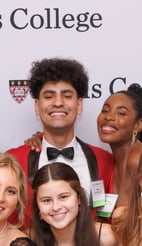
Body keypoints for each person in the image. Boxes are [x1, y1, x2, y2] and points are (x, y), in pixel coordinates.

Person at [9, 57, 116, 219]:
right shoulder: (14, 161)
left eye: (66, 96)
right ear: (37, 106)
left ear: (79, 105)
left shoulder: (105, 162)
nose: (58, 102)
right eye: (49, 96)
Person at [27, 83, 142, 199]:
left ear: (138, 125)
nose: (109, 117)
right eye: (105, 111)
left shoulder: (137, 158)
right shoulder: (111, 161)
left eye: (121, 113)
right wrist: (42, 137)